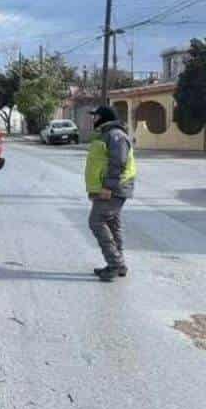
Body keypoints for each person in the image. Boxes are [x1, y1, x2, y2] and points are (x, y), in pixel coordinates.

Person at [84, 103, 136, 281]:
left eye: (96, 116)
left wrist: (107, 187)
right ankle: (119, 264)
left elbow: (117, 163)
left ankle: (114, 264)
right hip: (108, 188)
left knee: (96, 221)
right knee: (112, 224)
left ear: (104, 117)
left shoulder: (116, 136)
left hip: (114, 188)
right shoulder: (106, 135)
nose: (93, 119)